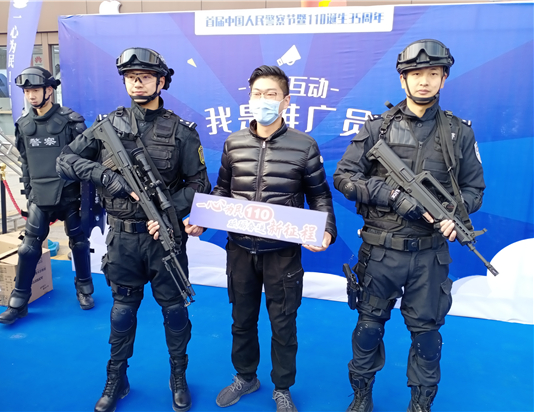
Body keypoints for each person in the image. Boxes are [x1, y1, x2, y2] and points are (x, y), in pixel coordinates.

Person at [333, 39, 486, 412]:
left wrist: (453, 214)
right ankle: (362, 396)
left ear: (444, 79)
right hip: (381, 251)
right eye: (416, 74)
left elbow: (474, 189)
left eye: (433, 74)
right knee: (368, 329)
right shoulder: (377, 129)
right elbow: (344, 178)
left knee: (427, 337)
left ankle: (420, 403)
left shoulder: (459, 132)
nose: (424, 81)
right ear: (403, 79)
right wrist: (391, 195)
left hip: (429, 256)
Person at [56, 47, 211, 412]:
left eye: (144, 76)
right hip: (123, 239)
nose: (136, 82)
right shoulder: (107, 127)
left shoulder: (182, 132)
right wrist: (104, 175)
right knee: (123, 310)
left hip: (163, 238)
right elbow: (65, 161)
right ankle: (117, 377)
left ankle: (178, 375)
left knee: (175, 310)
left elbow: (199, 183)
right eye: (130, 77)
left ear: (162, 81)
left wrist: (168, 212)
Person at [183, 65, 337, 412]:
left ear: (285, 101)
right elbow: (222, 190)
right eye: (257, 94)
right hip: (239, 248)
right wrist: (202, 219)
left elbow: (320, 196)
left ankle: (282, 387)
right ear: (249, 98)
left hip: (282, 252)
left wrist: (326, 229)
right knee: (242, 319)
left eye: (271, 94)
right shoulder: (234, 142)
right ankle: (245, 377)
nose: (263, 100)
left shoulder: (304, 145)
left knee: (283, 323)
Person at [0, 66, 94, 325]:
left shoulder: (71, 121)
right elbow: (25, 162)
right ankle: (18, 302)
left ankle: (84, 289)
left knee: (79, 243)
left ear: (49, 90)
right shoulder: (23, 124)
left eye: (35, 90)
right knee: (28, 249)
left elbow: (87, 161)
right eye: (26, 91)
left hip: (71, 195)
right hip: (40, 196)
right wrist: (29, 192)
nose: (30, 95)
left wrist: (87, 199)